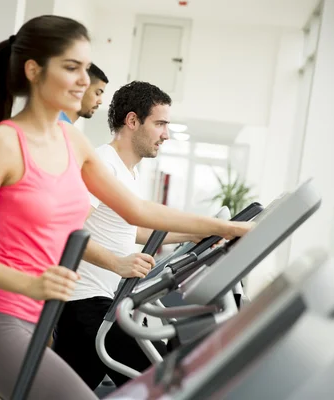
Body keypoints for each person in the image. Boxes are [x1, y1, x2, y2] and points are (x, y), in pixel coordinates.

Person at [0, 14, 252, 400]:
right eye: (72, 68)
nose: (84, 81)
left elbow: (139, 213)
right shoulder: (5, 142)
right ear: (33, 70)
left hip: (40, 318)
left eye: (86, 69)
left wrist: (227, 228)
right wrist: (32, 283)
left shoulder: (72, 141)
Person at [52, 80, 204, 390]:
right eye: (160, 123)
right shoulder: (103, 164)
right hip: (84, 306)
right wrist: (117, 264)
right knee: (161, 384)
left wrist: (196, 236)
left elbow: (133, 229)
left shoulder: (127, 171)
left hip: (99, 304)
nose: (166, 133)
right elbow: (67, 231)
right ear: (132, 121)